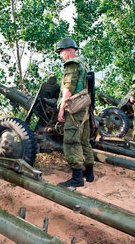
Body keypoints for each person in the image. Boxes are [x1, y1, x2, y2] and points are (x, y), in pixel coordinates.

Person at [56, 38, 94, 188]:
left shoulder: (72, 64)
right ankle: (89, 173)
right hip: (84, 107)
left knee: (71, 141)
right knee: (84, 140)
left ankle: (77, 178)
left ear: (70, 50)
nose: (60, 55)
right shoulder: (84, 63)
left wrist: (61, 109)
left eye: (61, 52)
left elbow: (68, 88)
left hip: (74, 108)